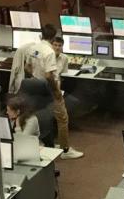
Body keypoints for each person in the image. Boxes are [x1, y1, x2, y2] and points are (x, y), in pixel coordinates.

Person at [8, 24, 82, 159]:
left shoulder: (33, 48)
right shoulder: (49, 52)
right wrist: (57, 92)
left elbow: (27, 67)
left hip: (36, 88)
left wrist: (37, 78)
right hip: (49, 89)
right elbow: (49, 75)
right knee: (63, 118)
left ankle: (44, 143)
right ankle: (65, 150)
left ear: (41, 35)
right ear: (53, 37)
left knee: (39, 117)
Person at [49, 37, 79, 159]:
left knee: (62, 118)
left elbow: (59, 76)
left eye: (59, 45)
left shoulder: (64, 58)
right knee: (62, 119)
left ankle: (60, 146)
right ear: (51, 45)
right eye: (55, 45)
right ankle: (65, 150)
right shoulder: (47, 56)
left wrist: (58, 91)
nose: (57, 48)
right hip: (46, 90)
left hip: (56, 91)